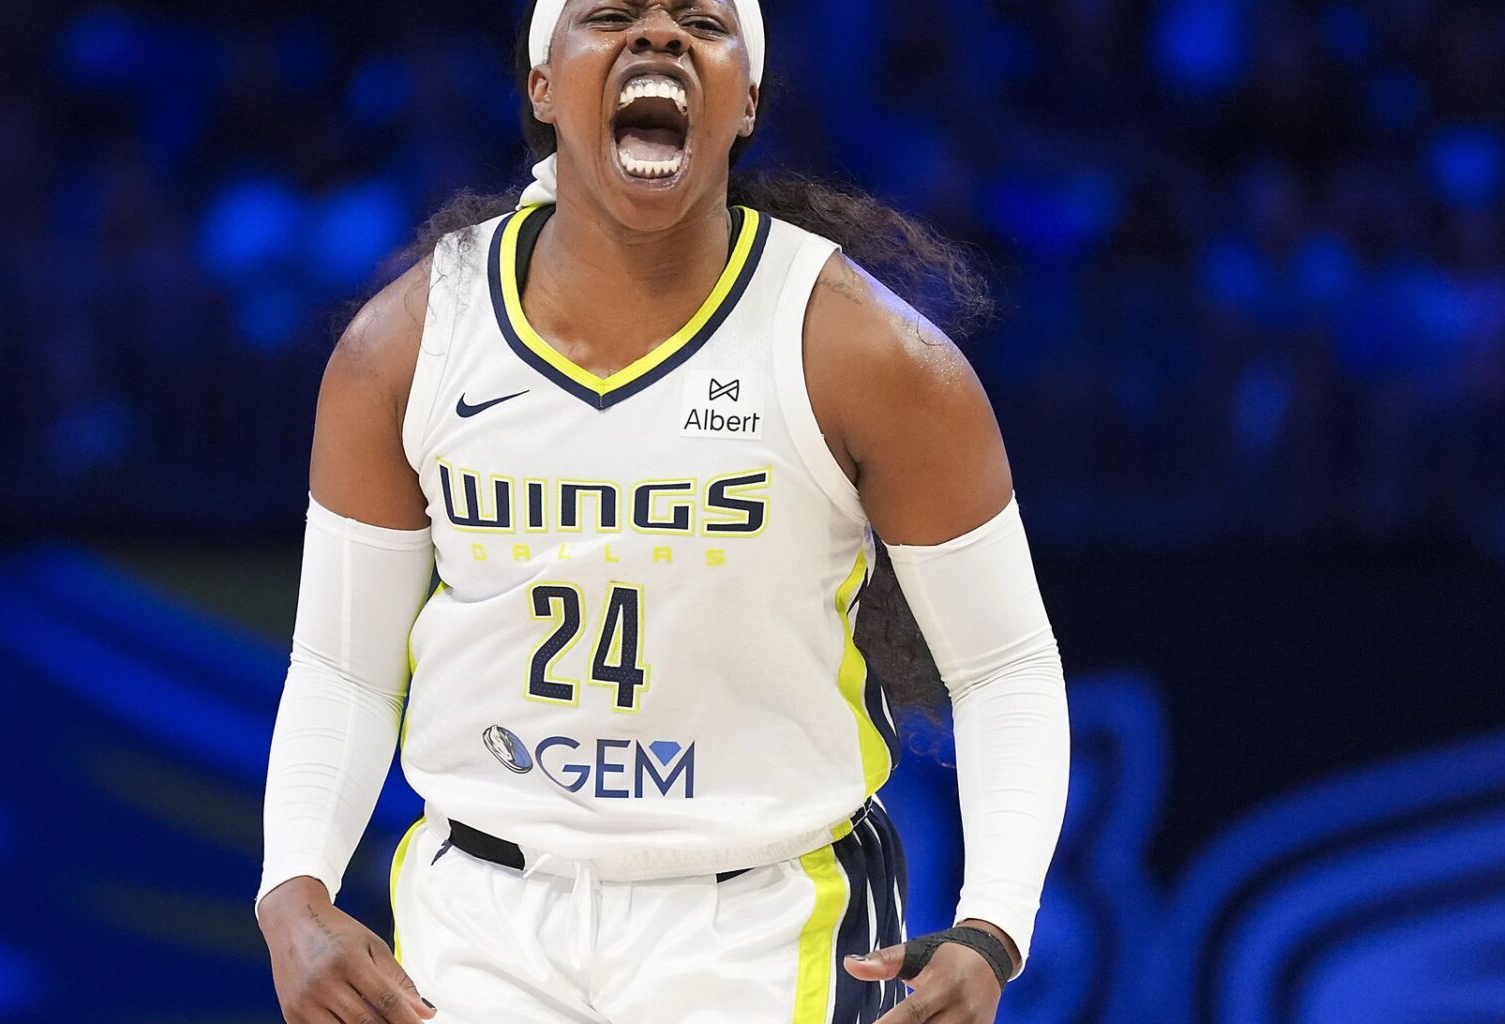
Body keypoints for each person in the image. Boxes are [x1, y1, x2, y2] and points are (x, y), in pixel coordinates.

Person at [253, 2, 1070, 1021]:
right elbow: (341, 666)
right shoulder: (408, 342)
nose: (659, 36)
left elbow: (1006, 668)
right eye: (611, 15)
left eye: (701, 19)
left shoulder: (866, 353)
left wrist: (995, 925)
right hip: (479, 921)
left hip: (768, 926)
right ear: (543, 85)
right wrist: (293, 887)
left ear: (749, 99)